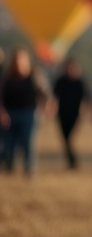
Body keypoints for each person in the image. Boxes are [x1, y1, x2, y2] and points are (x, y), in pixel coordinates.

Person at [1, 46, 52, 176]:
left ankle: (29, 168)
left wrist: (47, 105)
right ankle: (9, 166)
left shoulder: (34, 76)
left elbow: (45, 93)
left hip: (28, 114)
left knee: (28, 143)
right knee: (9, 144)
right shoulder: (7, 78)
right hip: (10, 114)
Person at [52, 57, 88, 169]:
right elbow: (54, 95)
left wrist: (85, 110)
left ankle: (72, 160)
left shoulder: (79, 82)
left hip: (74, 113)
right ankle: (72, 160)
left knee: (69, 137)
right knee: (65, 137)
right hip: (62, 113)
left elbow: (85, 97)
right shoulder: (61, 81)